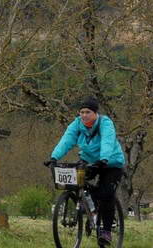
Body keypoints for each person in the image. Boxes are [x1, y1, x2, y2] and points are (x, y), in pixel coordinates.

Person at [48, 97, 125, 246]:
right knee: (78, 182)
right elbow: (66, 140)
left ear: (95, 113)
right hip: (88, 161)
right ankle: (88, 209)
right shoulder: (77, 125)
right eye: (81, 112)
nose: (84, 115)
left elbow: (107, 141)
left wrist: (104, 159)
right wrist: (54, 157)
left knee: (106, 193)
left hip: (111, 163)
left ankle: (106, 231)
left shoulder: (105, 123)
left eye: (87, 112)